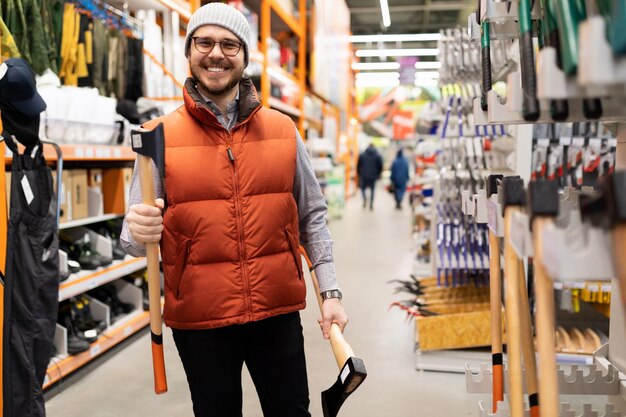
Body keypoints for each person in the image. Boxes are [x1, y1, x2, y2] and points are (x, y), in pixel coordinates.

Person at [119, 4, 348, 416]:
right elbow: (134, 242)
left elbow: (311, 215)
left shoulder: (283, 130)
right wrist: (137, 229)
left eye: (229, 44)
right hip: (200, 321)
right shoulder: (156, 137)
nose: (216, 53)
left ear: (244, 57)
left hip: (275, 312)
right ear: (189, 53)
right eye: (204, 42)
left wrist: (329, 293)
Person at [356, 143, 383, 210]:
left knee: (362, 189)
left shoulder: (362, 155)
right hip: (373, 176)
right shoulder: (377, 156)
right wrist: (378, 174)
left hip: (364, 175)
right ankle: (371, 203)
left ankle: (365, 199)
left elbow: (358, 166)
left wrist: (359, 174)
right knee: (372, 190)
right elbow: (380, 166)